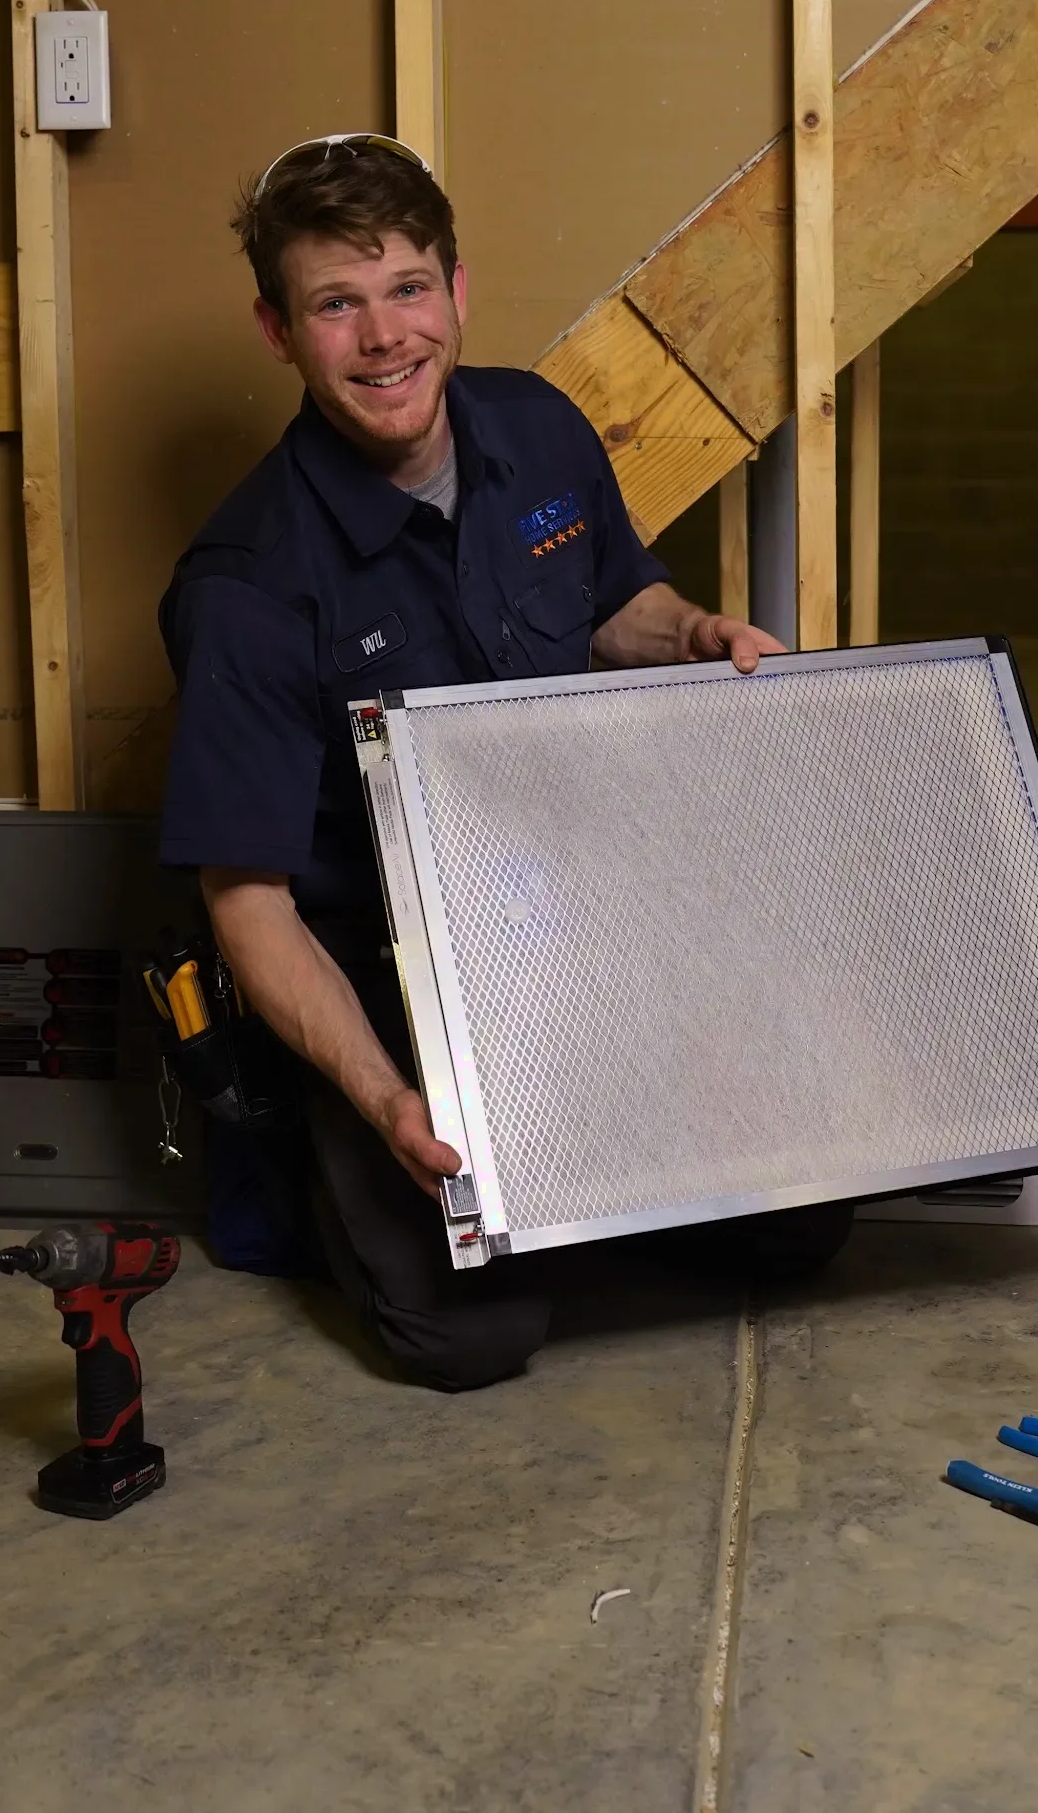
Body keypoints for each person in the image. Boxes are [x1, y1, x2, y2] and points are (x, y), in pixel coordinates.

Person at [159, 133, 855, 1390]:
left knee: (797, 1226)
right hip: (389, 971)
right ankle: (333, 1164)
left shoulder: (539, 429)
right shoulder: (247, 586)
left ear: (457, 290)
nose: (385, 337)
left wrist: (693, 634)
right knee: (467, 1335)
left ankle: (580, 1167)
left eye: (407, 288)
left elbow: (612, 600)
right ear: (278, 331)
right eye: (336, 304)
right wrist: (384, 1099)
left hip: (576, 915)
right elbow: (248, 903)